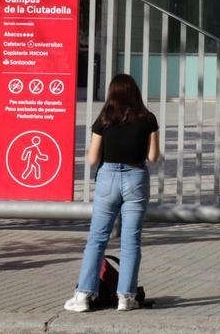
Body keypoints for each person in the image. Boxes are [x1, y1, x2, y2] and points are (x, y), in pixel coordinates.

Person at [64, 74, 161, 313]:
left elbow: (92, 159)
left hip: (107, 179)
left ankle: (84, 296)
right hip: (135, 178)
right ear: (135, 93)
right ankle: (126, 297)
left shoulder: (104, 119)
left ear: (111, 94)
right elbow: (153, 157)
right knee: (131, 240)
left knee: (97, 238)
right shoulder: (148, 119)